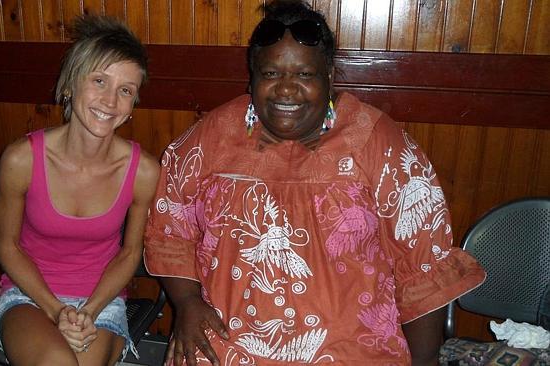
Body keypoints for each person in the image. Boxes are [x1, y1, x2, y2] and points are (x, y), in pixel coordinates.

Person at [144, 1, 485, 365]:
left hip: (351, 350)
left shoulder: (374, 140)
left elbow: (422, 262)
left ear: (330, 75)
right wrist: (187, 302)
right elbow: (170, 227)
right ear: (251, 77)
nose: (285, 91)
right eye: (271, 74)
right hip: (227, 345)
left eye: (304, 75)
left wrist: (424, 360)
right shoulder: (214, 135)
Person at [0, 14, 159, 366]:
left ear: (132, 105)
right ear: (70, 84)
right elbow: (6, 244)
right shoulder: (22, 159)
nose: (110, 101)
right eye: (99, 80)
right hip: (29, 296)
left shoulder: (143, 171)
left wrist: (89, 310)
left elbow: (129, 254)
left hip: (101, 299)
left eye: (125, 90)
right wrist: (56, 310)